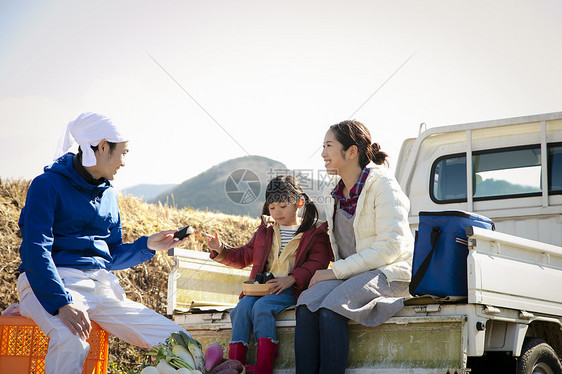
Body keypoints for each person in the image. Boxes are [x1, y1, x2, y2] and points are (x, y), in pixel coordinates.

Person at [16, 112, 191, 374]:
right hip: (57, 284)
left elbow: (110, 255)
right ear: (103, 147)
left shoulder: (108, 193)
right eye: (124, 152)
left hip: (101, 287)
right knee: (69, 340)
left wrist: (149, 245)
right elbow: (36, 251)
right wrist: (61, 303)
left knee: (181, 343)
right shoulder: (46, 185)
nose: (124, 162)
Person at [294, 120, 414, 374]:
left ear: (351, 152)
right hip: (351, 275)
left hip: (389, 271)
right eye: (322, 146)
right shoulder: (334, 193)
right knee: (306, 304)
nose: (323, 153)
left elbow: (389, 248)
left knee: (331, 307)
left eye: (329, 146)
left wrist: (334, 271)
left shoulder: (383, 185)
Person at [206, 175, 332, 374]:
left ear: (299, 203)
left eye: (283, 206)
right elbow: (244, 256)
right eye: (272, 207)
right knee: (242, 308)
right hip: (261, 288)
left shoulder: (314, 233)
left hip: (291, 289)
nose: (277, 212)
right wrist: (221, 249)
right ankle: (235, 364)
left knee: (263, 308)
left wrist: (292, 278)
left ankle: (264, 365)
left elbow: (318, 262)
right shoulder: (266, 230)